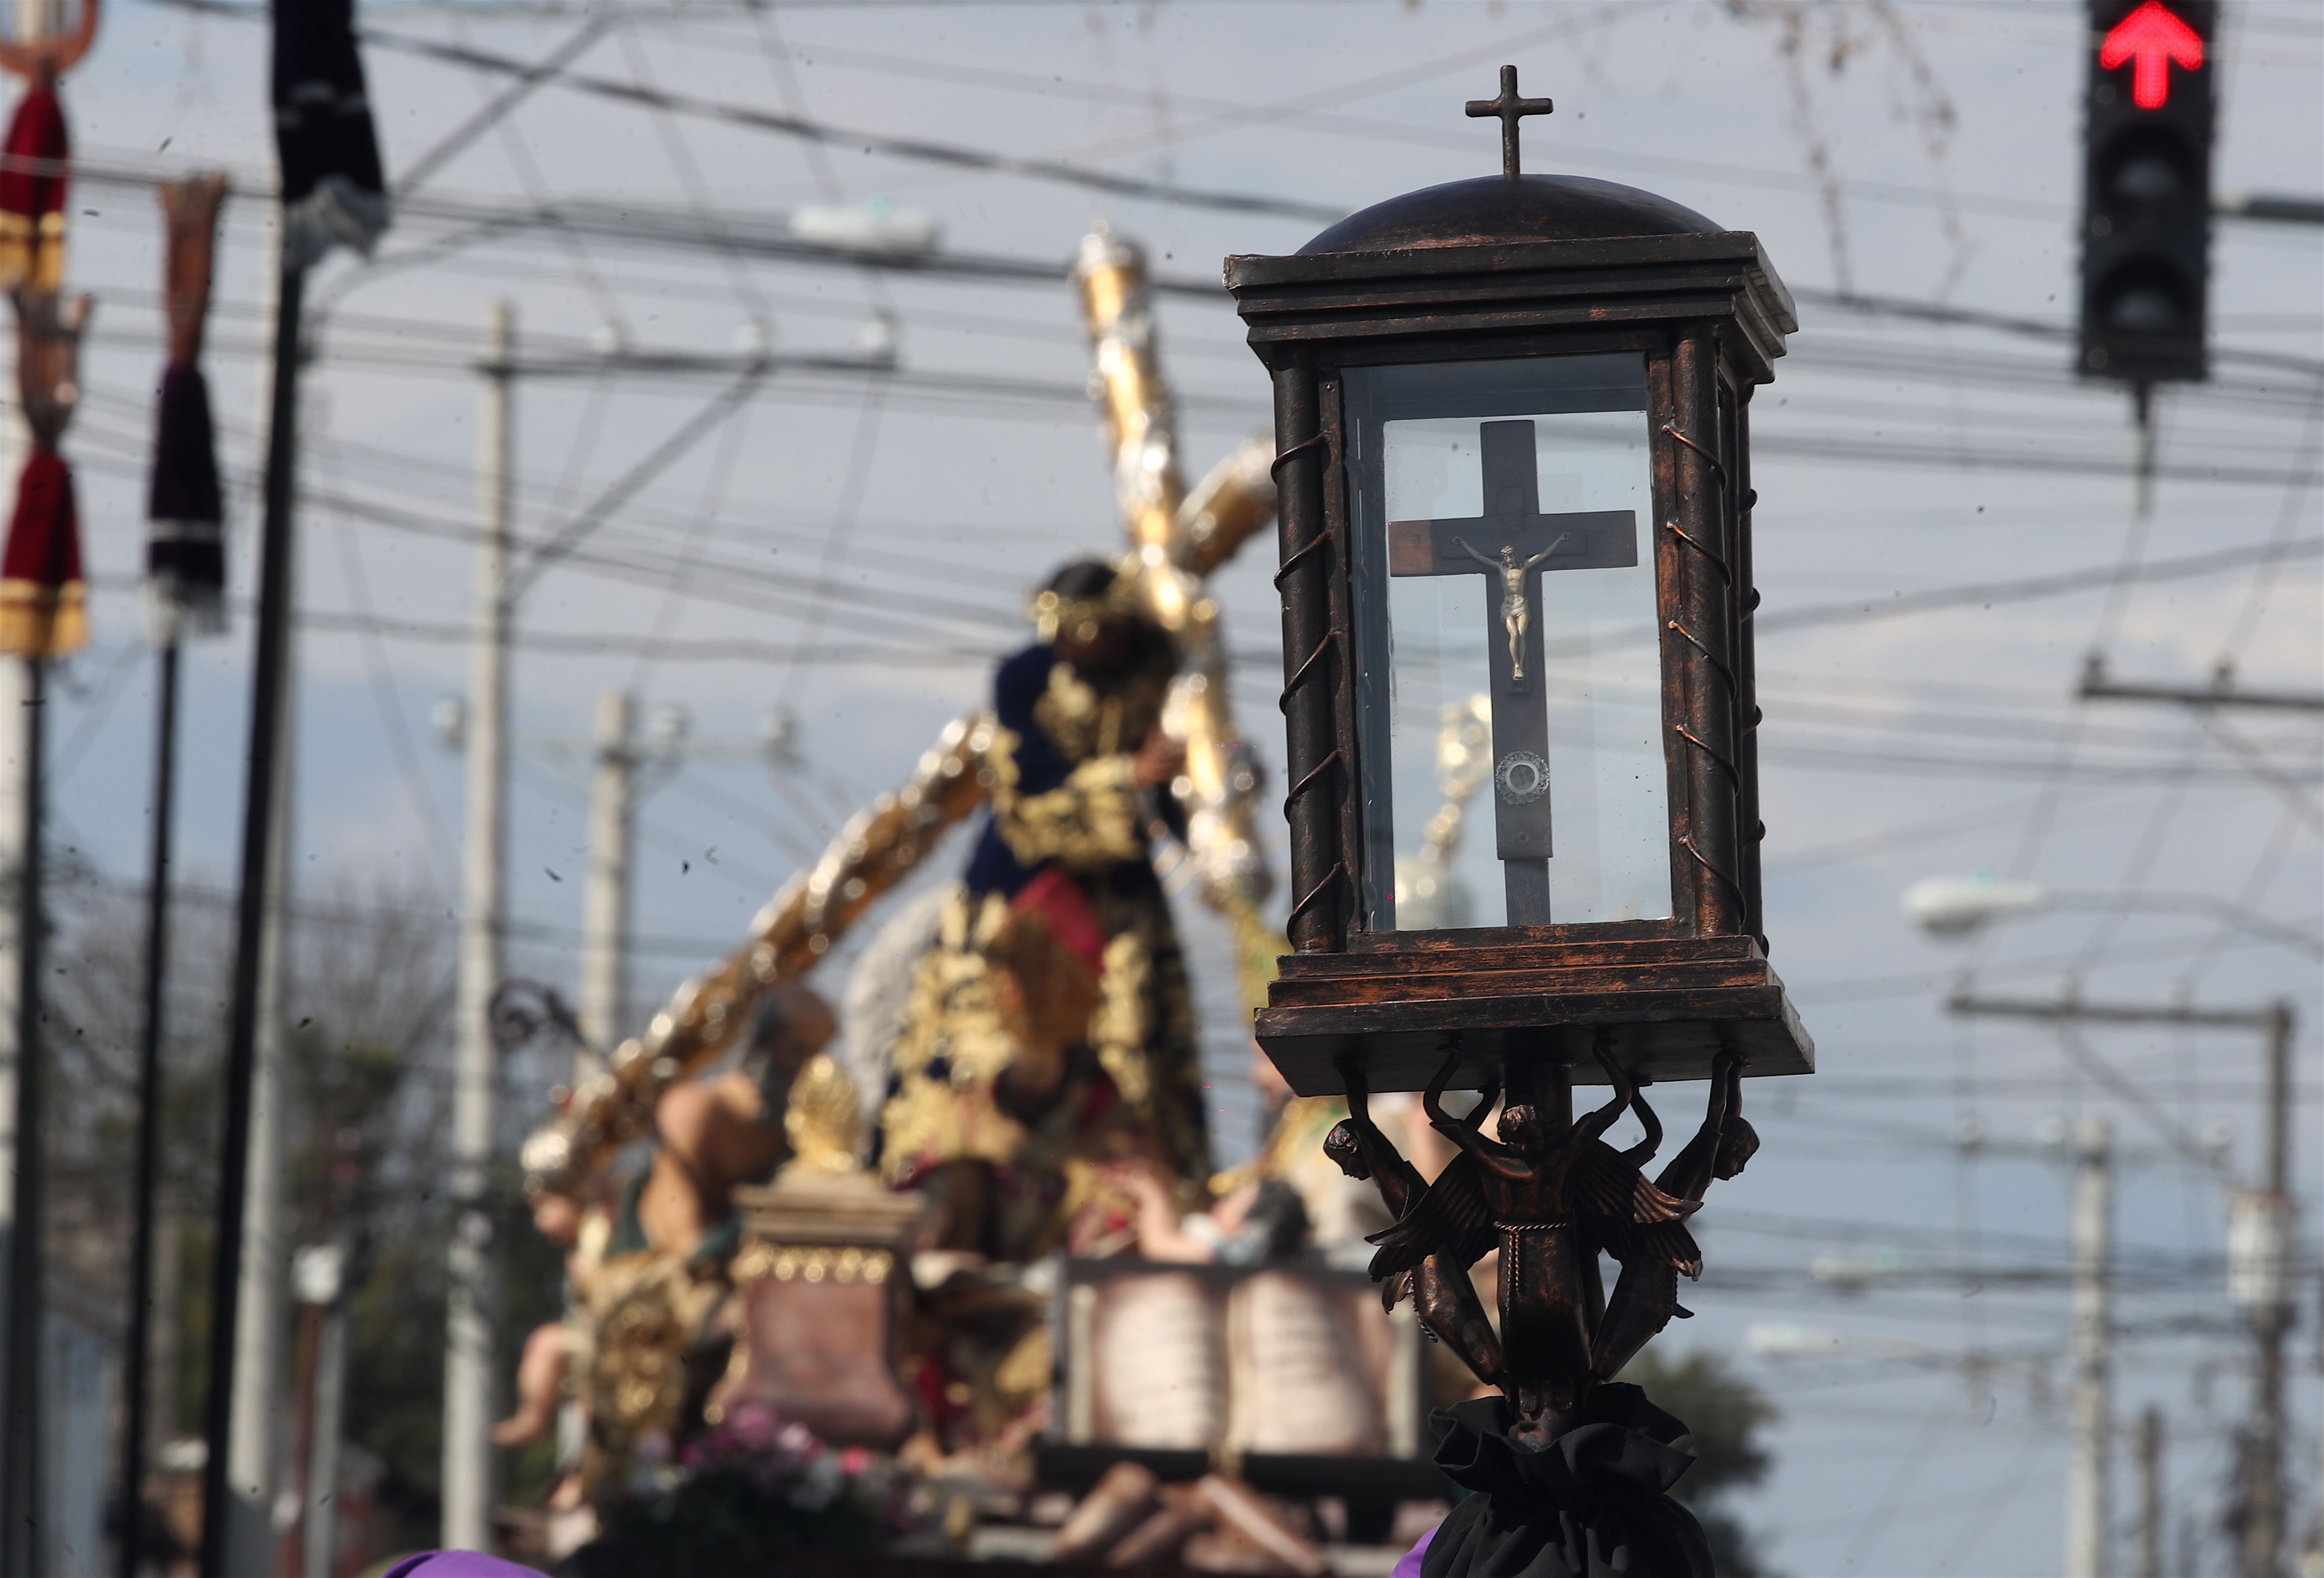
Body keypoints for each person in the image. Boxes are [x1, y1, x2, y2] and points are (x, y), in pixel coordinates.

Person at [879, 557, 1206, 1253]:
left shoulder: (1166, 666)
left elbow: (1208, 744)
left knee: (1135, 1051)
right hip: (1022, 884)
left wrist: (1214, 778)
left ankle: (1145, 1205)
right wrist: (1126, 776)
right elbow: (1027, 799)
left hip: (1117, 895)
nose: (1069, 648)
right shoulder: (1023, 679)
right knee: (986, 1046)